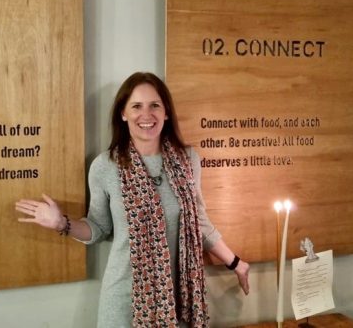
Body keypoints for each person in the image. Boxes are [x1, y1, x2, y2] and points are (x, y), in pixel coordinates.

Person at [16, 72, 250, 327]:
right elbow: (98, 228)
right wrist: (61, 223)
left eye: (155, 105)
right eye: (136, 106)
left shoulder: (188, 160)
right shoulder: (105, 167)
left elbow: (199, 224)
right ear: (123, 113)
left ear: (166, 113)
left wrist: (235, 263)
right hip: (124, 303)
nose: (146, 115)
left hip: (179, 299)